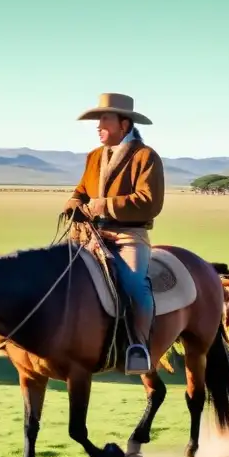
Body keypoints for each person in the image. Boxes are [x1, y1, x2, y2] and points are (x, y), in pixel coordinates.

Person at [63, 92, 165, 374]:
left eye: (105, 120)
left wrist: (104, 206)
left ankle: (139, 347)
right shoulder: (94, 157)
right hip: (90, 235)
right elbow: (82, 191)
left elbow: (150, 202)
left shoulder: (146, 157)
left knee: (134, 285)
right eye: (98, 121)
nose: (99, 126)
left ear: (124, 124)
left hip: (128, 236)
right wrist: (73, 202)